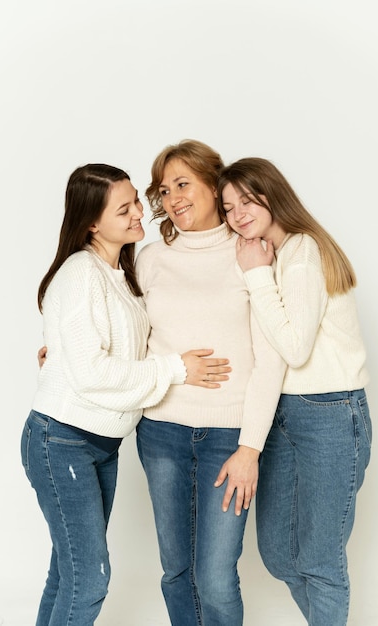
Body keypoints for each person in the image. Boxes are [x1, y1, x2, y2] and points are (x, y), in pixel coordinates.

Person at [22, 163, 231, 626]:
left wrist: (59, 353)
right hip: (63, 441)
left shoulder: (123, 271)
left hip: (100, 443)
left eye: (137, 199)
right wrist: (178, 369)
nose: (140, 212)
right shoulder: (82, 273)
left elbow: (121, 345)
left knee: (68, 572)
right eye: (125, 209)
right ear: (92, 222)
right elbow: (93, 372)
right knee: (90, 579)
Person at [135, 140, 286, 626]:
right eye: (164, 190)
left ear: (212, 184)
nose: (174, 198)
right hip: (160, 432)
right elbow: (128, 338)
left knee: (216, 575)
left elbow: (272, 360)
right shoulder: (150, 259)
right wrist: (64, 353)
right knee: (177, 571)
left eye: (184, 184)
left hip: (229, 437)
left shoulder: (250, 252)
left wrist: (250, 448)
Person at [218, 157, 372, 626]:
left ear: (272, 193)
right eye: (228, 207)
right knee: (279, 553)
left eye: (247, 199)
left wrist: (255, 275)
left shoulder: (302, 251)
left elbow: (295, 348)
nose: (238, 213)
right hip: (285, 414)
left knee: (320, 561)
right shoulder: (277, 253)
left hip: (330, 412)